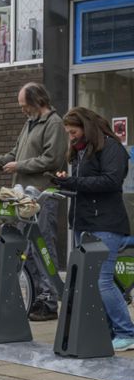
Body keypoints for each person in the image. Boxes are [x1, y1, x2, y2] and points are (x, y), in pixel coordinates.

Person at [0, 82, 68, 321]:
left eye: (25, 105)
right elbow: (13, 156)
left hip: (42, 195)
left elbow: (52, 159)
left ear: (38, 102)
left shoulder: (54, 124)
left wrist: (20, 165)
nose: (22, 110)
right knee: (28, 248)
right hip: (24, 198)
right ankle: (37, 298)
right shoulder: (29, 124)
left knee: (43, 246)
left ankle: (49, 302)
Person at [52, 107, 134, 351]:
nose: (71, 136)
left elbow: (111, 181)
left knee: (102, 281)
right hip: (85, 223)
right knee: (93, 282)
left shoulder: (111, 147)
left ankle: (127, 332)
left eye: (74, 131)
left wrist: (73, 181)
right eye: (68, 132)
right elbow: (85, 184)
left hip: (105, 224)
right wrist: (64, 181)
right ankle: (110, 330)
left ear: (86, 127)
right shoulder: (82, 151)